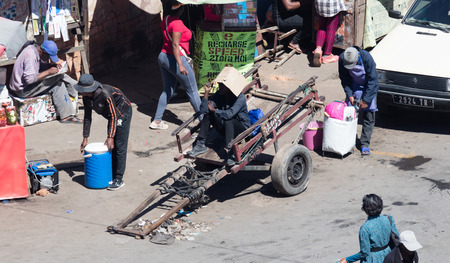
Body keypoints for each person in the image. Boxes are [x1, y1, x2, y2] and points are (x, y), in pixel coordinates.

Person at [150, 0, 201, 130]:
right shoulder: (177, 24)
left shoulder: (166, 19)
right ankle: (204, 121)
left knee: (168, 90)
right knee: (192, 90)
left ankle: (156, 121)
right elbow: (175, 45)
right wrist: (180, 65)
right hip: (175, 58)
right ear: (180, 10)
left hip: (163, 57)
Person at [75, 74, 132, 190]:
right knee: (112, 145)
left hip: (122, 112)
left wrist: (110, 136)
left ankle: (119, 179)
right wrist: (85, 138)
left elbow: (113, 116)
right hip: (111, 114)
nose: (81, 93)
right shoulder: (86, 97)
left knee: (119, 145)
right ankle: (112, 170)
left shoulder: (105, 94)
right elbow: (87, 117)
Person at [187, 67, 251, 166]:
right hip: (226, 128)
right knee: (209, 114)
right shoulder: (219, 94)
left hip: (241, 128)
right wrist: (206, 93)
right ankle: (200, 144)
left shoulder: (240, 98)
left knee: (228, 118)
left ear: (229, 87)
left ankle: (231, 151)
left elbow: (230, 114)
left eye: (222, 85)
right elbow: (204, 110)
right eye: (220, 84)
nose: (220, 87)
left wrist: (215, 110)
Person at [8, 40, 81, 123]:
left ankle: (66, 115)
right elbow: (29, 79)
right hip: (22, 90)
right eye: (49, 57)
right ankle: (75, 89)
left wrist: (50, 66)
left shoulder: (34, 50)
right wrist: (49, 71)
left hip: (26, 86)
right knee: (59, 76)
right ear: (43, 52)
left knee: (58, 85)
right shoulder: (30, 56)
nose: (49, 59)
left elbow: (38, 66)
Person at [338, 46, 379, 156]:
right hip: (354, 86)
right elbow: (345, 79)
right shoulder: (342, 58)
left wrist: (366, 100)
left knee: (369, 116)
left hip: (368, 87)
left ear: (358, 57)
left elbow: (373, 81)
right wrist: (350, 94)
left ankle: (364, 143)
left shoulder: (366, 57)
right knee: (348, 115)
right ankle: (347, 140)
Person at [340, 194, 400, 263]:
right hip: (388, 256)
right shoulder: (389, 218)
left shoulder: (365, 228)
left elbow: (364, 253)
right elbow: (397, 236)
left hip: (372, 259)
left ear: (365, 210)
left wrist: (347, 260)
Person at [312, 0, 347, 66]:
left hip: (320, 3)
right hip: (332, 4)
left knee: (321, 27)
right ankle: (327, 55)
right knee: (331, 29)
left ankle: (318, 49)